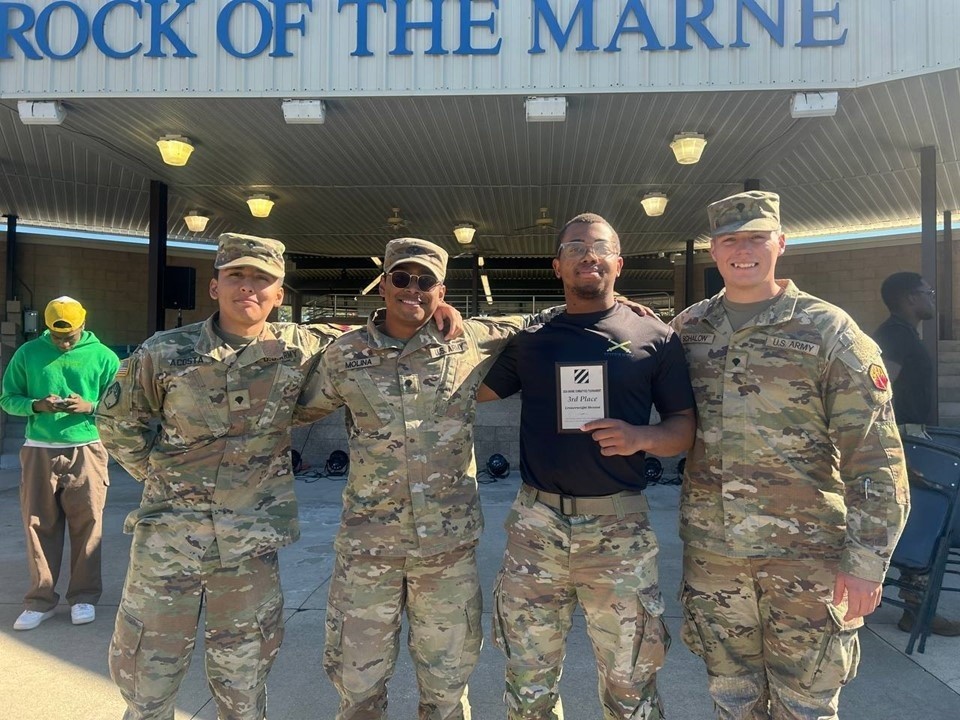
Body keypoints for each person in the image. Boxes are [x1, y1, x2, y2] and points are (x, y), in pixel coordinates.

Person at [95, 233, 458, 720]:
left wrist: (439, 314)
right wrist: (162, 481)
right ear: (214, 287)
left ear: (279, 294)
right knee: (147, 679)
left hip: (249, 547)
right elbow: (118, 421)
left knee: (243, 683)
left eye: (262, 279)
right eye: (237, 276)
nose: (249, 288)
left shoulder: (302, 347)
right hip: (167, 542)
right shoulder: (165, 352)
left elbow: (379, 331)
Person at [295, 237, 576, 720]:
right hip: (368, 554)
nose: (413, 289)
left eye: (425, 281)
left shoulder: (469, 341)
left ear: (440, 291)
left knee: (446, 692)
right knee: (357, 689)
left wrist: (620, 302)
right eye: (401, 278)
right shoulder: (344, 355)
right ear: (383, 285)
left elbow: (548, 317)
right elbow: (293, 408)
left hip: (446, 555)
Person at [670, 191, 909, 720]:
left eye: (756, 237)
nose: (743, 250)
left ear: (781, 242)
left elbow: (876, 458)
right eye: (730, 239)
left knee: (806, 704)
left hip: (807, 559)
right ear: (714, 249)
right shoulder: (689, 330)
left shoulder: (828, 331)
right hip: (715, 557)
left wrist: (868, 563)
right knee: (731, 699)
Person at [477, 212, 696, 720]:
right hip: (537, 527)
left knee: (631, 681)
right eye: (575, 248)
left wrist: (640, 436)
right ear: (557, 266)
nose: (588, 256)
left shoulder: (655, 336)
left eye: (599, 247)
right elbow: (478, 390)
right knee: (527, 680)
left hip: (618, 528)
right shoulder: (531, 337)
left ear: (618, 262)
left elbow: (683, 427)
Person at [1, 297, 120, 631]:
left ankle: (83, 597)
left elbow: (124, 403)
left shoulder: (103, 357)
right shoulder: (27, 354)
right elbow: (7, 398)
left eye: (69, 335)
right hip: (38, 449)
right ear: (47, 327)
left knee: (88, 523)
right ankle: (40, 600)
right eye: (56, 335)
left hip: (87, 449)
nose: (63, 342)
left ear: (84, 324)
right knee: (38, 524)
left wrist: (91, 406)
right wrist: (36, 405)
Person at [874, 271, 960, 636]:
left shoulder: (904, 334)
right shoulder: (894, 336)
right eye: (929, 292)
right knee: (922, 525)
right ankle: (916, 610)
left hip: (912, 438)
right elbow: (879, 390)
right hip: (904, 443)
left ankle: (916, 607)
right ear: (910, 298)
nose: (932, 298)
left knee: (919, 523)